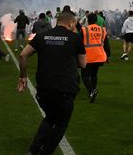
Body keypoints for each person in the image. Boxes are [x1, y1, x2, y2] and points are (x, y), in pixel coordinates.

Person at [17, 12, 86, 155]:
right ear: (71, 23)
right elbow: (83, 64)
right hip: (65, 89)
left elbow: (23, 55)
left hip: (44, 89)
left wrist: (23, 76)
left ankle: (33, 150)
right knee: (61, 123)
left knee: (50, 118)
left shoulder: (42, 36)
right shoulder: (75, 38)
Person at [80, 13, 108, 103]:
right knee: (94, 75)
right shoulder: (102, 30)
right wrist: (108, 56)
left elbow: (79, 43)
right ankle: (93, 91)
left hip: (87, 56)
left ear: (88, 20)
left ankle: (91, 91)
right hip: (99, 56)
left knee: (84, 76)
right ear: (96, 20)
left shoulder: (84, 29)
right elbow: (106, 44)